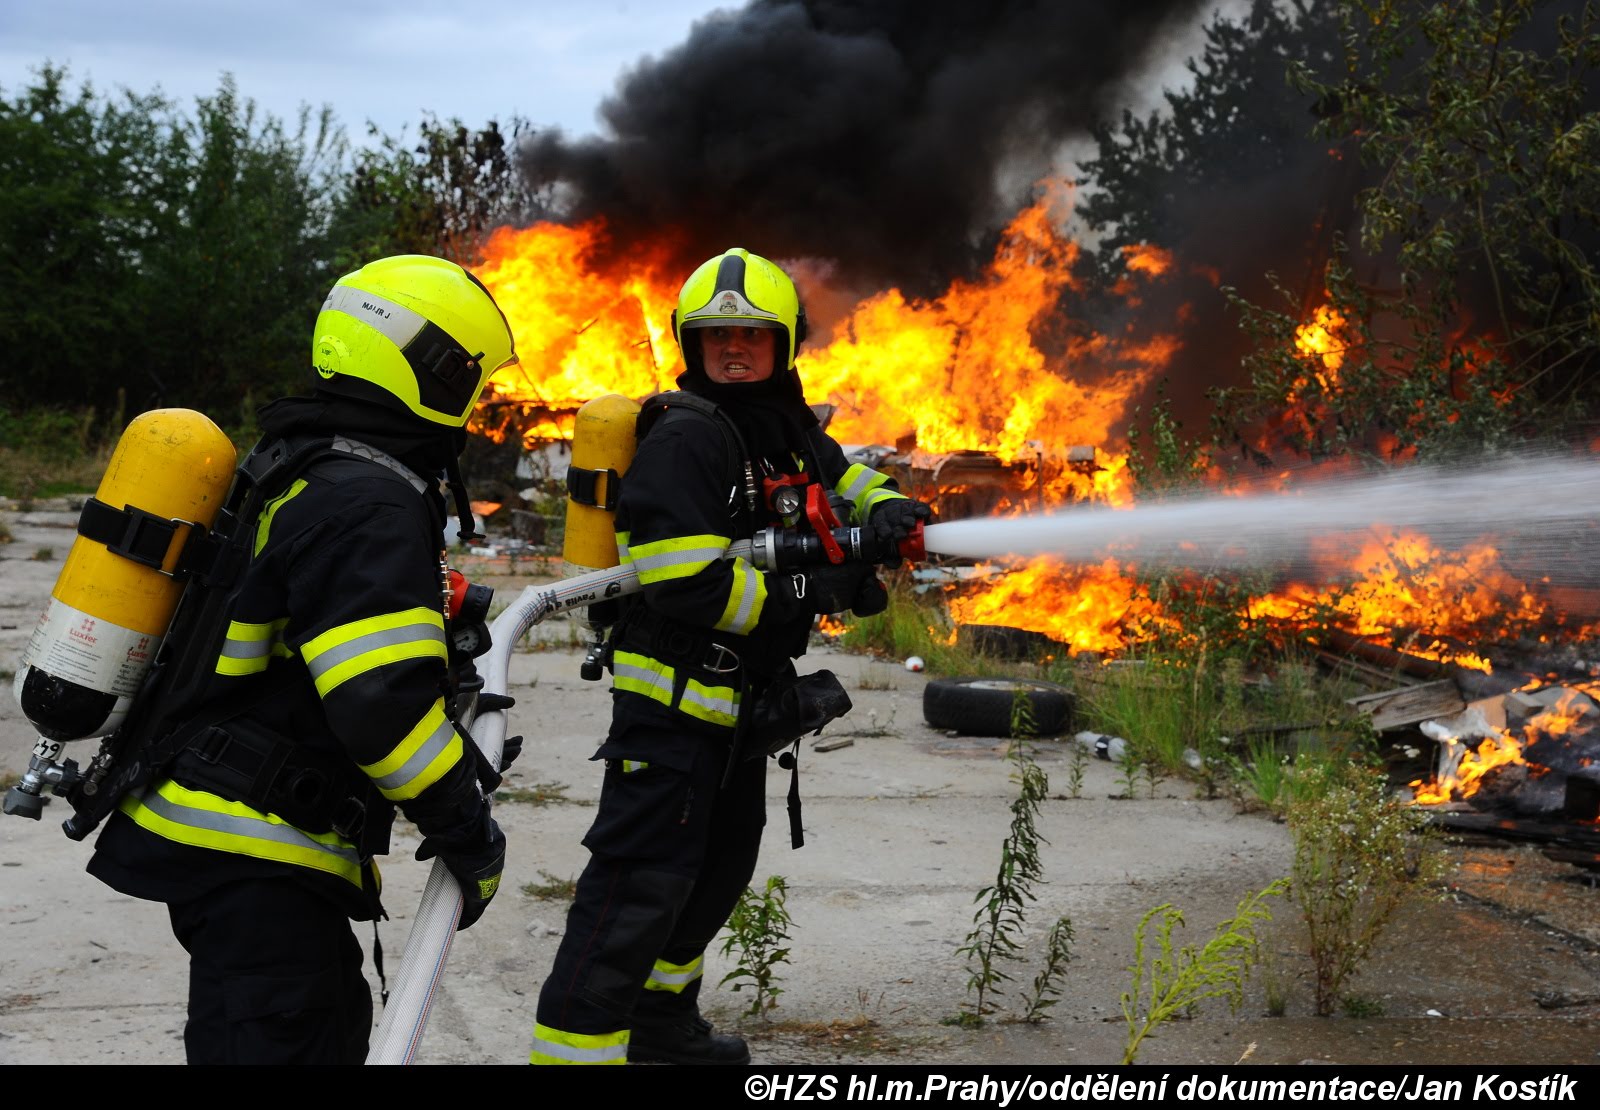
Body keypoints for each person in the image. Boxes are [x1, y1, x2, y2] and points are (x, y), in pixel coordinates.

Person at [83, 254, 519, 1064]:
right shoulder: (371, 502)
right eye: (472, 379)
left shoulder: (311, 462)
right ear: (432, 369)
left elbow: (316, 656)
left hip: (225, 844)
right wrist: (465, 823)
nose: (475, 404)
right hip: (260, 854)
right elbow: (379, 706)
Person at [529, 247, 934, 1066]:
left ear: (783, 344)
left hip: (739, 711)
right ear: (693, 345)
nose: (735, 350)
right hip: (672, 711)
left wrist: (890, 513)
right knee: (635, 897)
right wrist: (809, 595)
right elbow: (680, 578)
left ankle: (661, 1031)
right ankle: (571, 1055)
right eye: (719, 337)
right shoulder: (688, 436)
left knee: (711, 880)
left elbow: (843, 482)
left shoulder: (783, 429)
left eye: (752, 335)